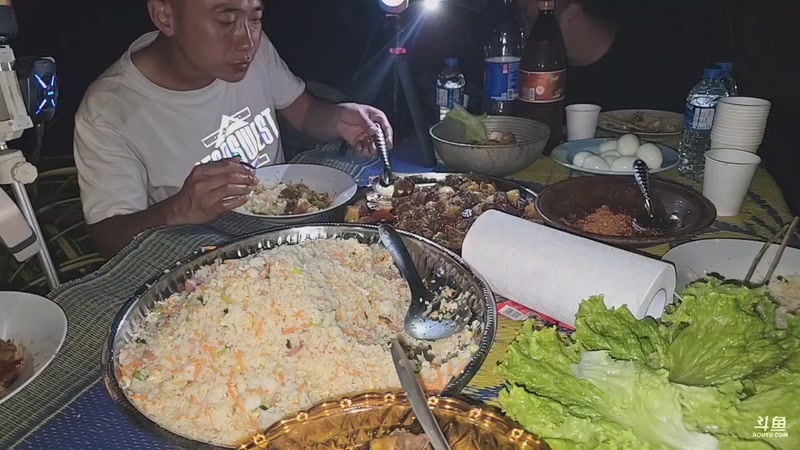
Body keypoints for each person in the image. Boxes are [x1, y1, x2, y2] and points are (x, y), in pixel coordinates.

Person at [74, 0, 393, 259]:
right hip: (204, 256)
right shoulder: (109, 110)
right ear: (165, 16)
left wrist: (338, 118)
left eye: (255, 19)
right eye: (226, 20)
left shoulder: (255, 49)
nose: (247, 41)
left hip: (289, 230)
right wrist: (178, 208)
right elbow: (109, 239)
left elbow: (305, 112)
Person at [520, 0, 699, 112]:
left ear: (572, 12)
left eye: (526, 13)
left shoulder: (655, 62)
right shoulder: (534, 73)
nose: (519, 23)